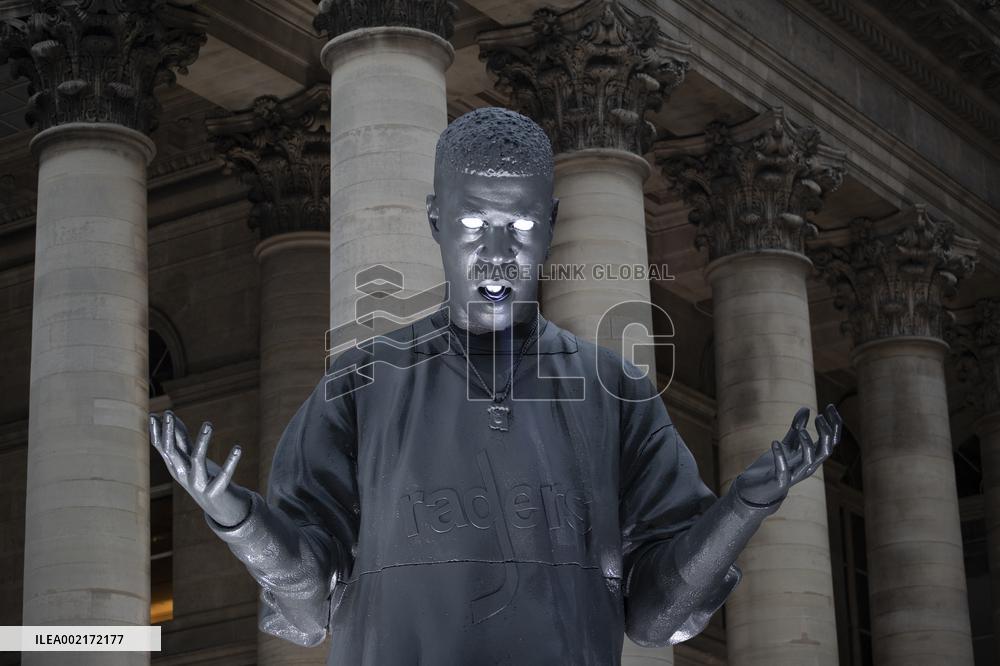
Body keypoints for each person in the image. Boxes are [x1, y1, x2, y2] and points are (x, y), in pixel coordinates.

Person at [149, 107, 841, 665]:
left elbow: (659, 615)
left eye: (522, 226)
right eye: (475, 224)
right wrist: (240, 521)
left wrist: (744, 507)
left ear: (553, 226)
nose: (498, 254)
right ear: (435, 221)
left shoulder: (616, 391)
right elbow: (306, 605)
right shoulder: (360, 383)